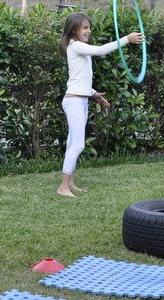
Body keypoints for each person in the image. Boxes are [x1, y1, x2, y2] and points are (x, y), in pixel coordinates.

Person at [57, 12, 143, 197]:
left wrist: (95, 94)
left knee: (73, 143)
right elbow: (102, 50)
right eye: (85, 28)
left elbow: (80, 79)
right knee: (78, 145)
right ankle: (63, 187)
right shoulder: (76, 46)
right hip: (74, 102)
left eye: (89, 27)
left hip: (80, 99)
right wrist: (126, 39)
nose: (89, 31)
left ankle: (69, 184)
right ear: (74, 31)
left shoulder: (79, 47)